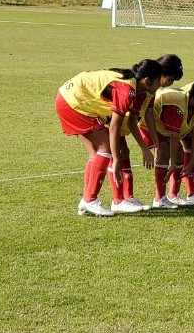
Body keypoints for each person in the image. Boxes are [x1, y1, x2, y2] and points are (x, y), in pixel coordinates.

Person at [54, 61, 163, 217]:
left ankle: (86, 200)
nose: (160, 84)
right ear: (147, 81)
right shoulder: (127, 90)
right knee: (105, 148)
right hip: (74, 102)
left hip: (67, 97)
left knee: (95, 153)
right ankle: (90, 200)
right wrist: (116, 160)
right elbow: (114, 127)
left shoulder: (132, 84)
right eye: (158, 81)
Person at [144, 78, 194, 208]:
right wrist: (173, 164)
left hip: (163, 128)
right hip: (149, 124)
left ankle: (173, 195)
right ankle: (159, 199)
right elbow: (174, 137)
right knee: (164, 152)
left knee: (179, 155)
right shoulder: (177, 106)